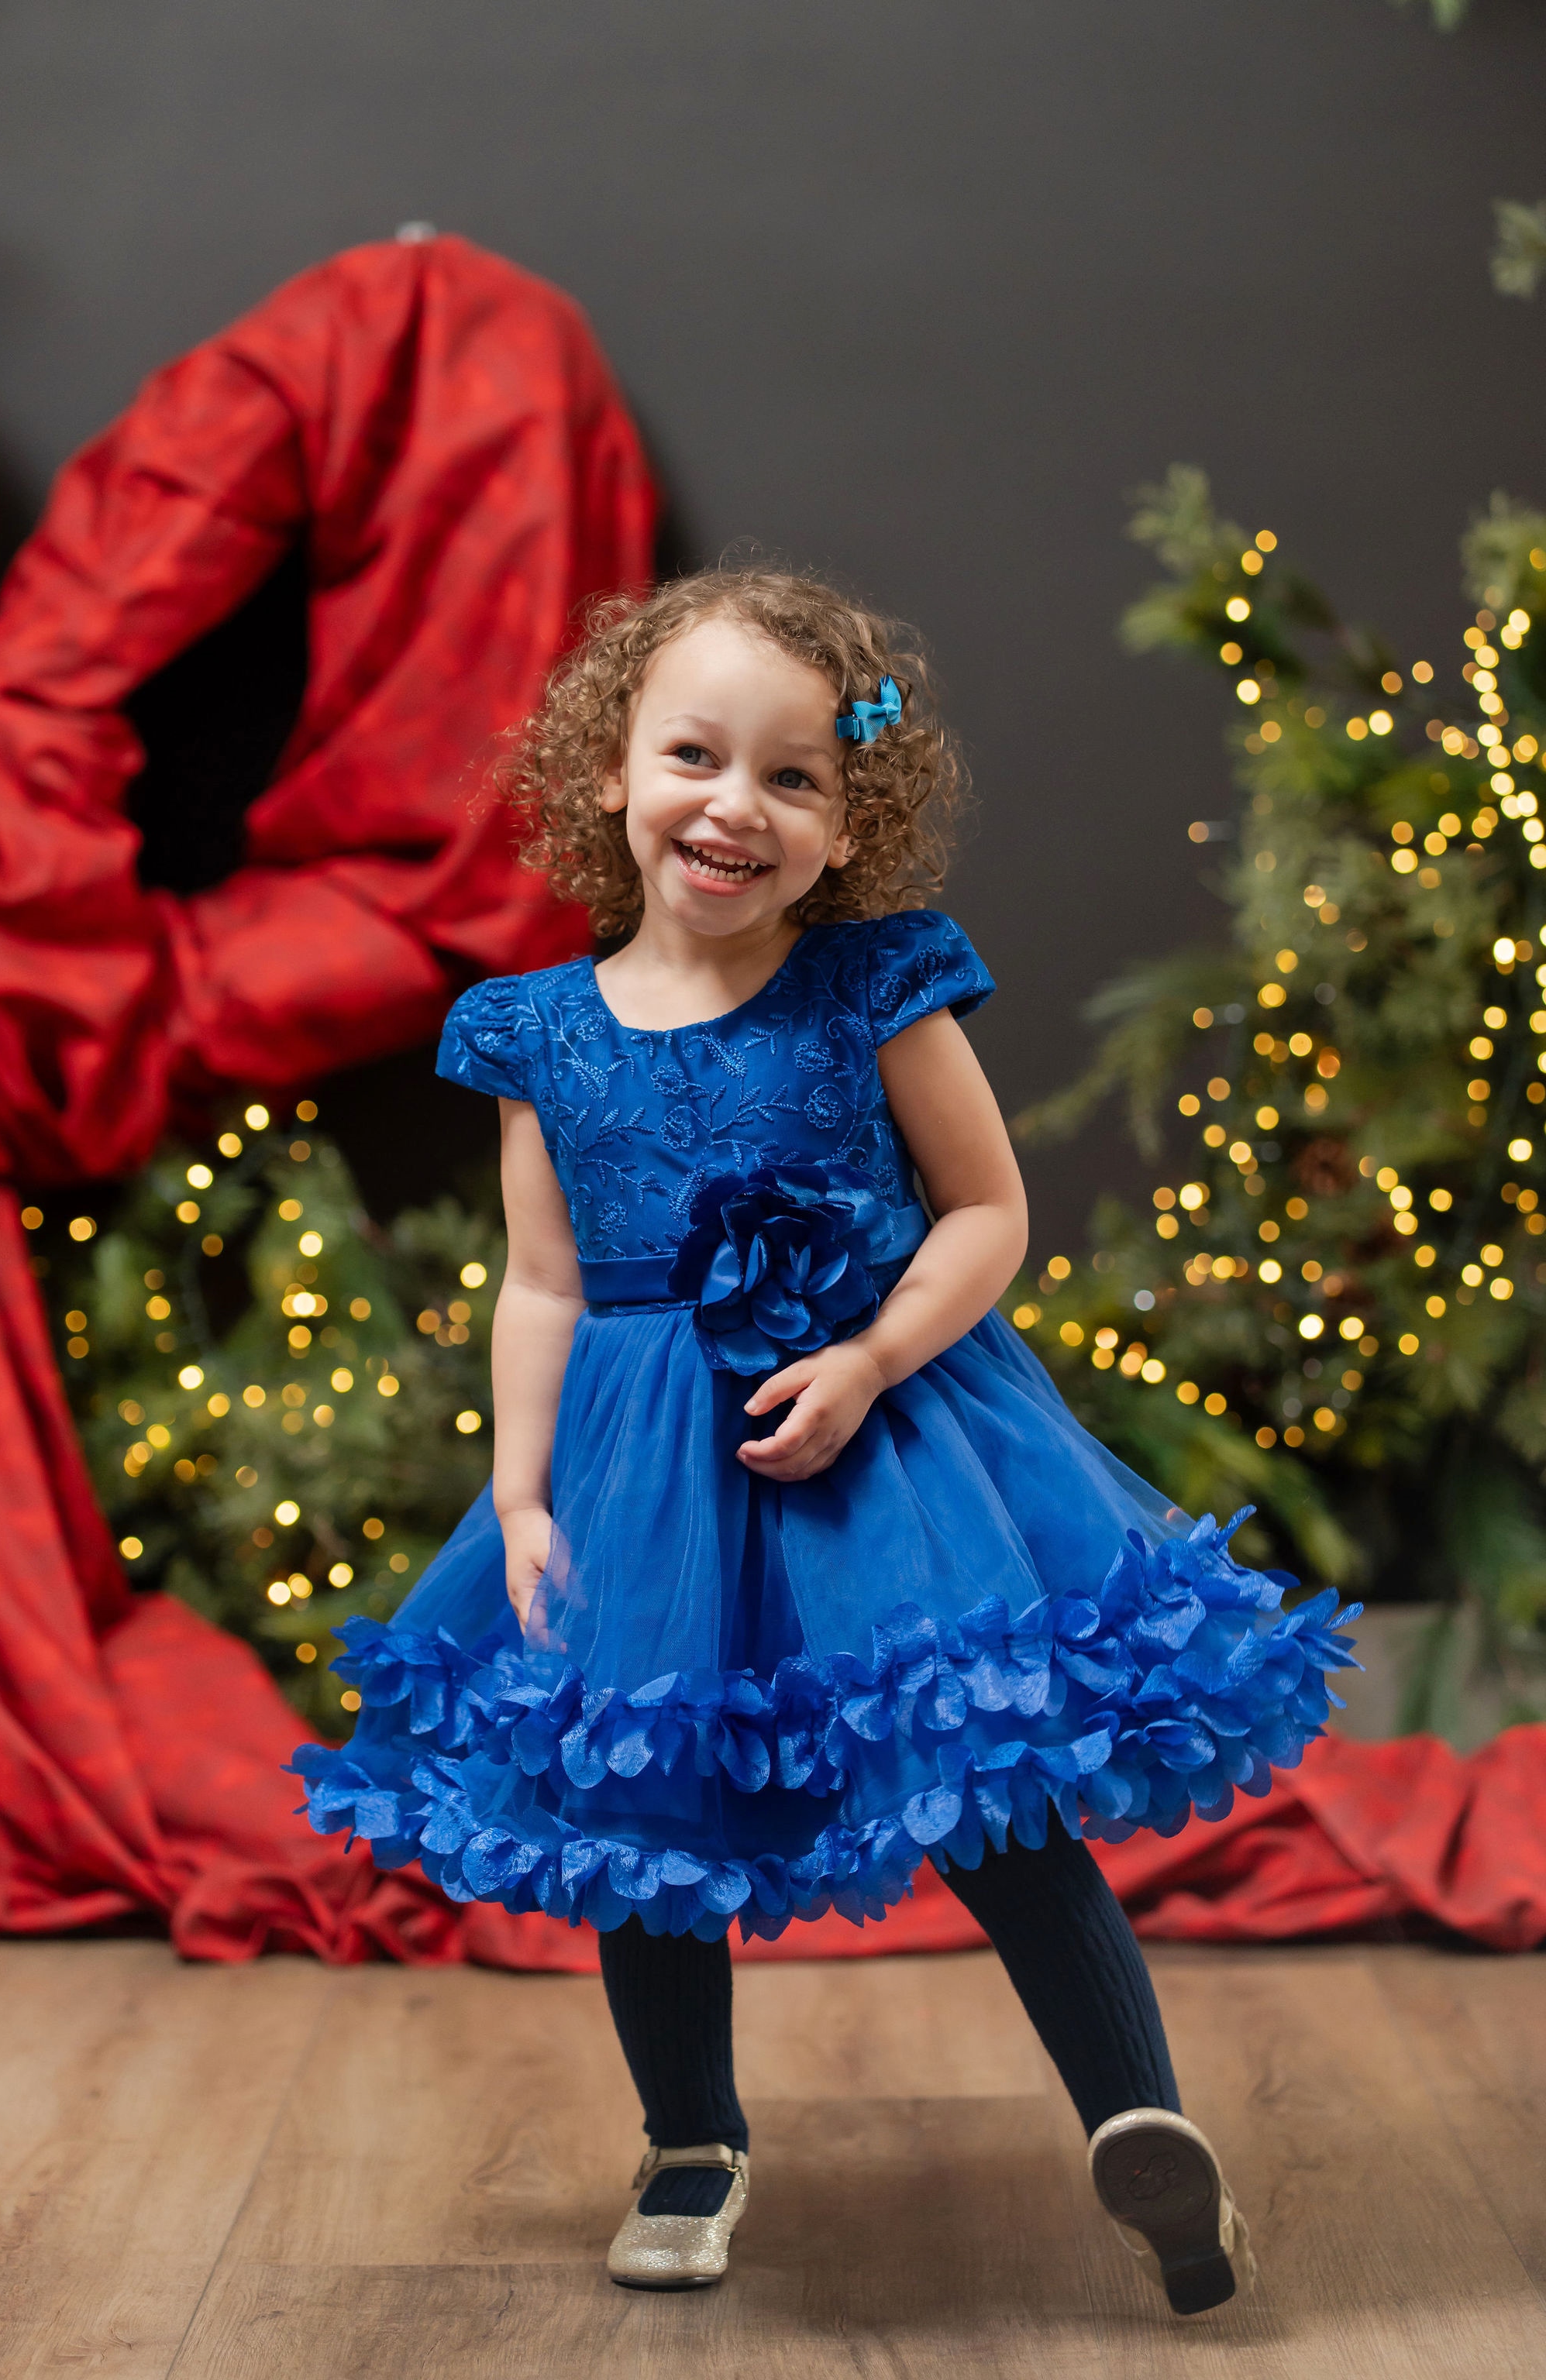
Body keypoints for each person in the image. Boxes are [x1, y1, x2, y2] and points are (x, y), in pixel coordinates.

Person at [294, 569, 1355, 2316]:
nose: (738, 806)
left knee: (983, 1771)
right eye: (696, 757)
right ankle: (689, 2141)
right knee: (644, 1808)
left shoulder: (872, 988)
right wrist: (521, 1492)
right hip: (646, 1481)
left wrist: (867, 1357)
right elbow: (543, 1283)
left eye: (793, 778)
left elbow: (988, 1212)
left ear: (848, 821)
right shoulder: (538, 1035)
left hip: (884, 1455)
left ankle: (1142, 2126)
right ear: (610, 771)